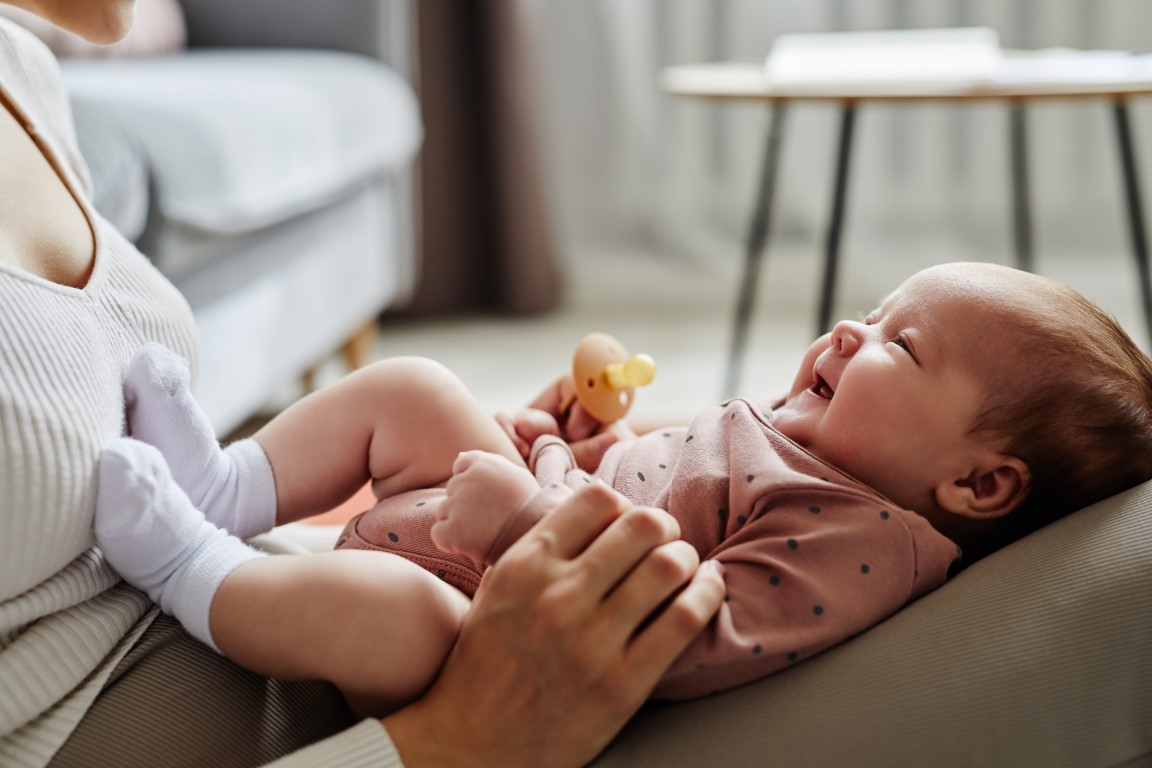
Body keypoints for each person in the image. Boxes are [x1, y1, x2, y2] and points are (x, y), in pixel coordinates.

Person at [0, 2, 726, 766]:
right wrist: (456, 738)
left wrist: (482, 499)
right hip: (429, 729)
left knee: (426, 402)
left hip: (282, 626)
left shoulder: (22, 73)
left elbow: (82, 534)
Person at [93, 260, 1152, 709]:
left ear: (978, 484)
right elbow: (663, 491)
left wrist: (523, 519)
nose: (849, 331)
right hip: (497, 519)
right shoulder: (809, 444)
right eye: (873, 311)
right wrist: (582, 442)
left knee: (402, 619)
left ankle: (195, 564)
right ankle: (232, 486)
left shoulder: (860, 540)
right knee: (419, 387)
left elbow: (675, 629)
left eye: (901, 347)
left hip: (477, 632)